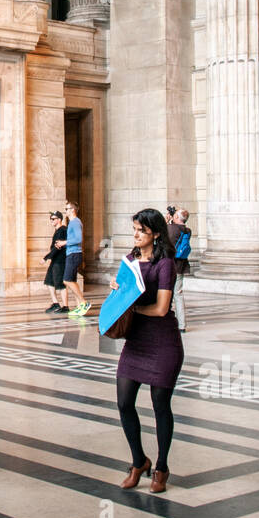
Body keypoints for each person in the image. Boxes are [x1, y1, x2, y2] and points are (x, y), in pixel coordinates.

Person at [110, 208, 183, 494]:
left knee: (160, 405)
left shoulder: (165, 263)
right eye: (134, 229)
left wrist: (134, 307)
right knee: (124, 402)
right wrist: (116, 290)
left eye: (141, 230)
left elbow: (162, 308)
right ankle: (139, 461)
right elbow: (119, 299)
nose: (136, 234)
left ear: (154, 232)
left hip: (163, 341)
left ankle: (162, 467)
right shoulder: (129, 262)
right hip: (136, 341)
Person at [167, 208, 191, 332]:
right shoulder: (187, 231)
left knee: (166, 292)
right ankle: (182, 325)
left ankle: (165, 320)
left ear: (176, 218)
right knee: (178, 294)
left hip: (169, 266)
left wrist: (167, 222)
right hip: (181, 267)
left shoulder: (170, 229)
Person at [63, 201, 90, 316]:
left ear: (72, 210)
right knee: (72, 280)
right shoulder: (73, 222)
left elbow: (78, 239)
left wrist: (65, 242)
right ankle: (79, 306)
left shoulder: (75, 222)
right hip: (72, 254)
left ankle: (84, 302)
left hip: (74, 254)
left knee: (67, 280)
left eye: (67, 209)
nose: (66, 211)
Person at [42, 210, 68, 312]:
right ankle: (55, 303)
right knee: (49, 281)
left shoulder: (62, 230)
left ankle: (66, 306)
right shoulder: (58, 230)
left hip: (60, 261)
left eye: (53, 219)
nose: (51, 221)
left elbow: (57, 247)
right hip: (55, 260)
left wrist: (46, 258)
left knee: (60, 284)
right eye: (51, 219)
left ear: (59, 219)